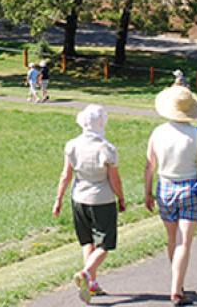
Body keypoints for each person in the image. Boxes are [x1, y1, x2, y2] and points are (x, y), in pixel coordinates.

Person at [144, 86, 197, 306]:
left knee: (173, 239)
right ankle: (176, 289)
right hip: (191, 187)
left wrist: (147, 192)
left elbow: (149, 166)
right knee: (184, 242)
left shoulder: (158, 132)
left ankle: (178, 282)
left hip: (165, 186)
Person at [53, 104, 125, 304]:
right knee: (105, 243)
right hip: (101, 199)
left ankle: (91, 283)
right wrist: (121, 198)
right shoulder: (107, 149)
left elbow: (66, 175)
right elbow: (114, 180)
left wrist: (58, 199)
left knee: (87, 241)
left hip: (78, 198)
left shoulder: (72, 145)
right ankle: (86, 274)